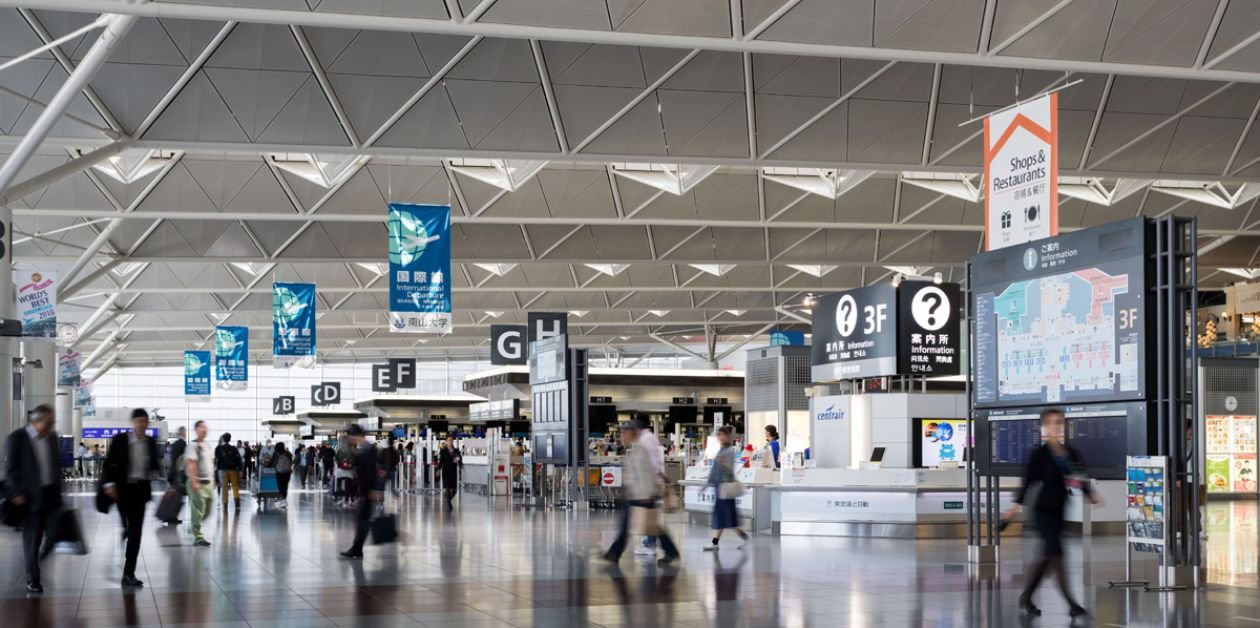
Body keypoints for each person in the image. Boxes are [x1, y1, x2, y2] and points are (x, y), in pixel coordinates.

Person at [1004, 408, 1099, 618]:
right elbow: (1028, 482)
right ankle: (1072, 603)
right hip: (1042, 511)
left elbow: (1080, 477)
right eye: (1052, 423)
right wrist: (1014, 508)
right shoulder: (1039, 454)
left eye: (1060, 422)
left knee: (1047, 556)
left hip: (1059, 511)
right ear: (1045, 427)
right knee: (1056, 554)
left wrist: (1090, 495)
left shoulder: (1070, 453)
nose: (1056, 426)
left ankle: (1027, 596)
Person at [603, 420, 679, 565]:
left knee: (649, 526)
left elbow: (646, 473)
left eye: (625, 432)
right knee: (643, 525)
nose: (622, 435)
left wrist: (647, 495)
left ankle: (614, 553)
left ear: (634, 432)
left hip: (642, 495)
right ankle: (614, 553)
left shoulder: (641, 449)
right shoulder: (635, 448)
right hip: (637, 494)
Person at [5, 404, 63, 593]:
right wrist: (16, 492)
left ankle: (36, 561)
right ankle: (33, 579)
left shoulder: (52, 438)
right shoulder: (17, 438)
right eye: (48, 423)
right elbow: (11, 470)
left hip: (51, 496)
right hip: (30, 499)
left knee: (54, 534)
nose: (51, 427)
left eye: (52, 423)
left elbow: (56, 466)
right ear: (35, 421)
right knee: (32, 540)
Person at [103, 409, 160, 588]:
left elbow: (154, 466)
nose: (142, 424)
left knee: (135, 532)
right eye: (139, 421)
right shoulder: (121, 440)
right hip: (122, 490)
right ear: (133, 422)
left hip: (140, 491)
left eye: (145, 421)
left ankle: (129, 573)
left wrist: (156, 473)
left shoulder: (150, 442)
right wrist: (109, 484)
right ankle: (125, 529)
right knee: (129, 526)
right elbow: (109, 463)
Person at [705, 425, 751, 551]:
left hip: (724, 487)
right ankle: (717, 542)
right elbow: (715, 470)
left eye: (722, 434)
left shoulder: (729, 450)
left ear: (727, 436)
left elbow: (728, 468)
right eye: (718, 435)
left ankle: (716, 542)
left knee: (724, 516)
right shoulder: (720, 450)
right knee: (727, 516)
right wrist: (707, 483)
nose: (720, 437)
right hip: (719, 486)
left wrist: (721, 463)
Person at [340, 425, 382, 559]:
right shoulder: (363, 448)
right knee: (361, 520)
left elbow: (371, 471)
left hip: (368, 490)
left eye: (351, 436)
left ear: (357, 435)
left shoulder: (369, 448)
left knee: (363, 520)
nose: (350, 438)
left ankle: (357, 549)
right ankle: (356, 548)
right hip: (365, 489)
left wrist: (374, 490)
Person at [634, 415, 669, 557]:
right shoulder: (651, 437)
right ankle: (651, 542)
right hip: (651, 480)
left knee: (649, 514)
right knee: (650, 514)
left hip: (648, 481)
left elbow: (651, 463)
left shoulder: (645, 439)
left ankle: (650, 544)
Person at [184, 420, 215, 547]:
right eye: (202, 427)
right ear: (196, 430)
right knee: (197, 510)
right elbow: (191, 464)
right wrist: (194, 480)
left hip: (208, 483)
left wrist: (213, 479)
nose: (205, 429)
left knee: (208, 509)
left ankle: (193, 526)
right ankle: (198, 537)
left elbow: (210, 464)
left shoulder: (207, 445)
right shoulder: (192, 445)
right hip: (197, 482)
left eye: (206, 427)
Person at [164, 426, 188, 525]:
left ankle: (170, 516)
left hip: (172, 473)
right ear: (182, 433)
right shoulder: (182, 444)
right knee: (177, 497)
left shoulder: (174, 444)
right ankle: (171, 517)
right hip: (178, 474)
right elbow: (183, 460)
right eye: (185, 432)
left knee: (174, 496)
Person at [215, 432, 242, 511]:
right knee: (235, 486)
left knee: (224, 487)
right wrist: (240, 470)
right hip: (233, 470)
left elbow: (217, 460)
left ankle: (225, 503)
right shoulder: (234, 448)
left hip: (222, 470)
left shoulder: (219, 448)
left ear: (223, 439)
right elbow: (238, 459)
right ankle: (237, 501)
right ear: (230, 439)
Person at [438, 435, 462, 509]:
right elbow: (441, 461)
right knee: (447, 487)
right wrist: (438, 469)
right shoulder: (443, 451)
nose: (450, 442)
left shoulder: (456, 450)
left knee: (454, 489)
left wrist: (460, 464)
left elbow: (459, 459)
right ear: (446, 441)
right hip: (446, 471)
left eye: (451, 440)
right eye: (448, 440)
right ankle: (449, 503)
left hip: (453, 471)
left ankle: (448, 498)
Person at [273, 442, 293, 507]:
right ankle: (284, 500)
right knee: (285, 486)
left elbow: (271, 462)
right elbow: (291, 461)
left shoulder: (276, 454)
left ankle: (283, 500)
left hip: (279, 472)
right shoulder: (288, 453)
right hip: (287, 472)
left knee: (280, 486)